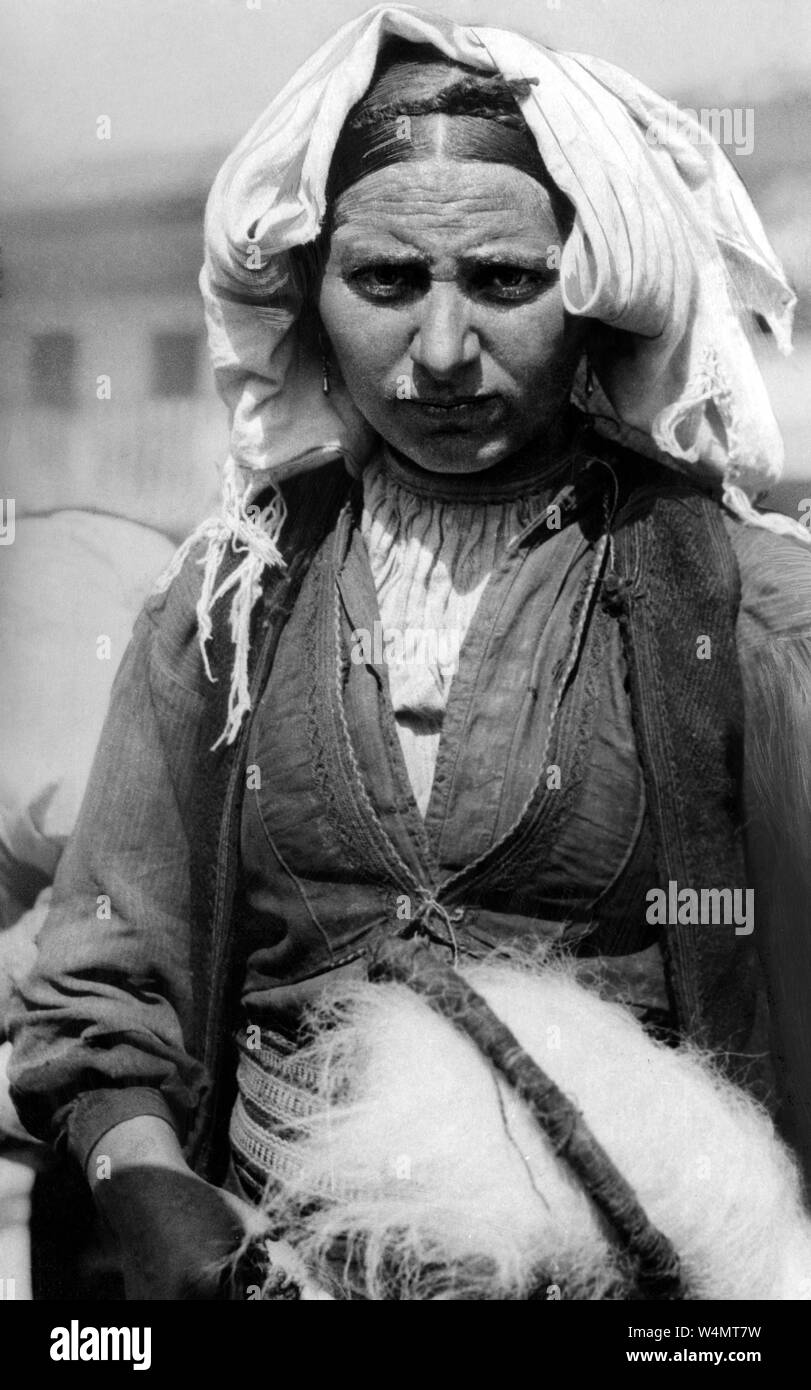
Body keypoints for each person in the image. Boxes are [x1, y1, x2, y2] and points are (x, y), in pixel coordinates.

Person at [8, 5, 811, 1300]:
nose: (442, 351)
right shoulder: (233, 601)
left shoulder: (734, 605)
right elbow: (106, 995)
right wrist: (146, 1186)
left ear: (597, 297)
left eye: (503, 281)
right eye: (387, 282)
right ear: (312, 299)